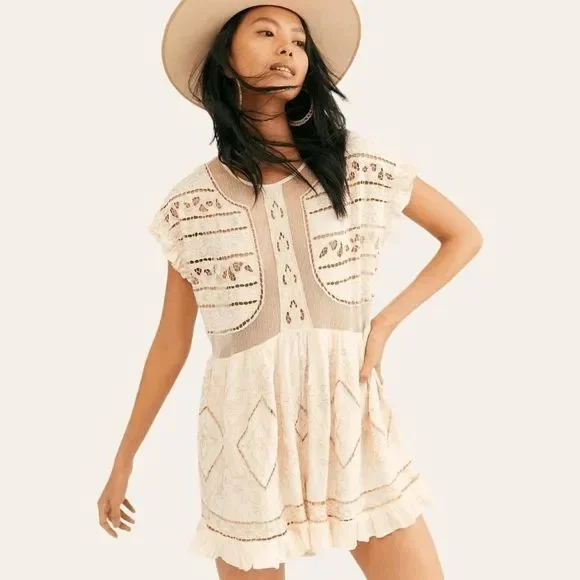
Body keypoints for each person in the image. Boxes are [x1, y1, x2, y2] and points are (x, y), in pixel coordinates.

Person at [97, 1, 483, 578]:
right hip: (243, 433)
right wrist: (124, 458)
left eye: (299, 42)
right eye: (266, 32)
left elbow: (463, 236)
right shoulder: (189, 206)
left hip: (350, 416)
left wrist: (384, 324)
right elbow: (170, 343)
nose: (287, 49)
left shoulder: (358, 165)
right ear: (226, 57)